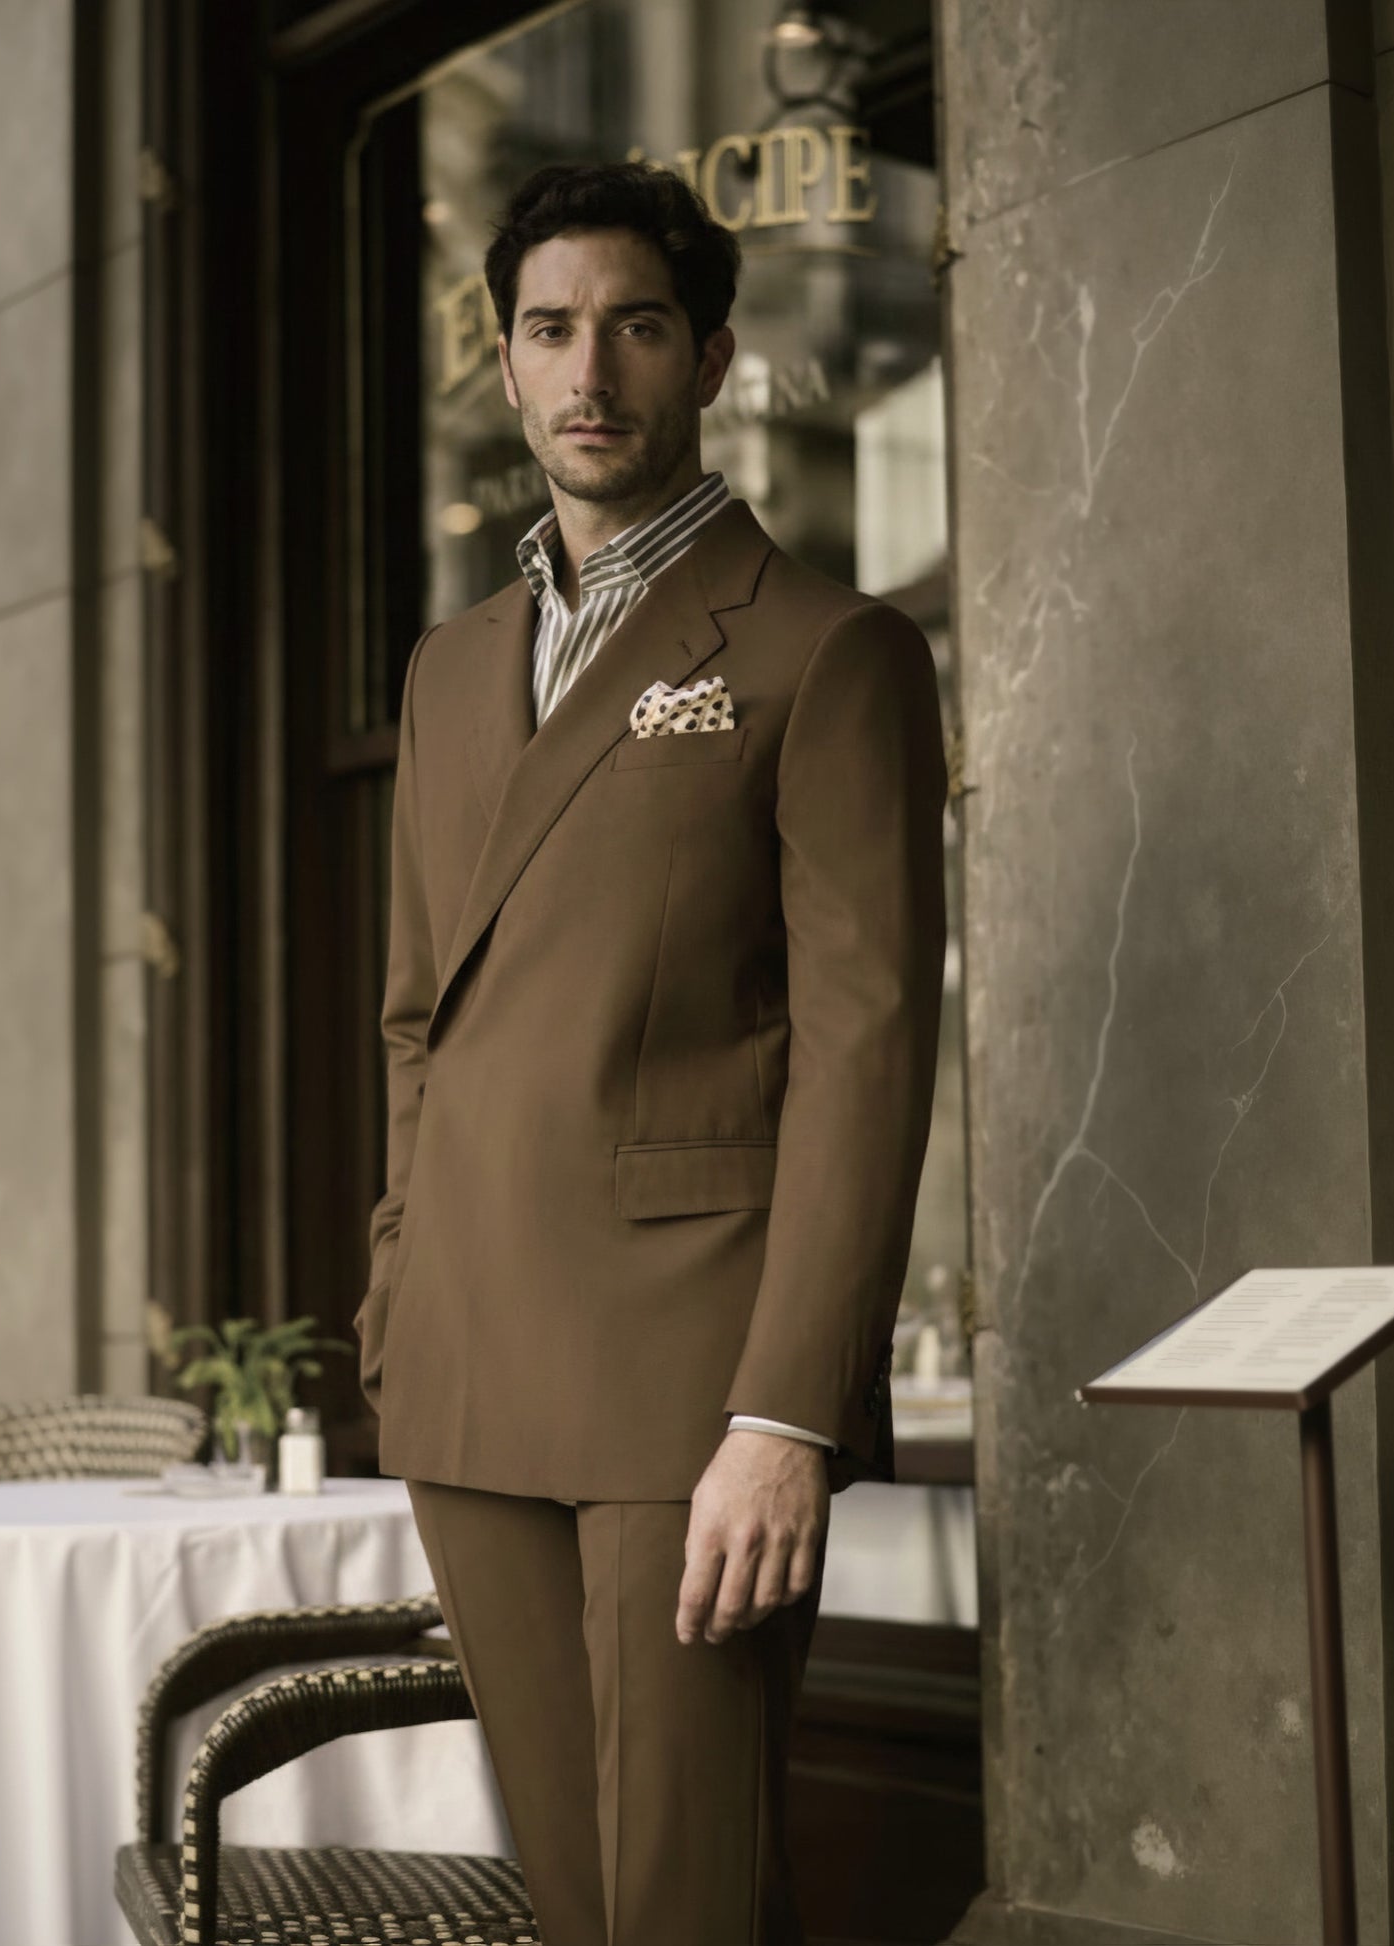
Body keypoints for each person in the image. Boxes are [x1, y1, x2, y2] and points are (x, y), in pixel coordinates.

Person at [353, 157, 947, 1946]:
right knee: (576, 1897)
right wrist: (395, 1290)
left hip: (689, 1381)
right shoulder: (448, 671)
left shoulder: (820, 650)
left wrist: (786, 1413)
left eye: (631, 326)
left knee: (685, 1902)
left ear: (707, 357)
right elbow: (415, 1020)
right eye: (548, 330)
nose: (588, 370)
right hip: (465, 1360)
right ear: (506, 361)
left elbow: (868, 1045)